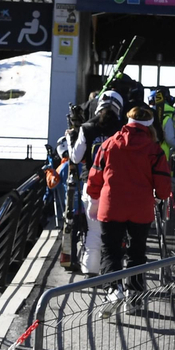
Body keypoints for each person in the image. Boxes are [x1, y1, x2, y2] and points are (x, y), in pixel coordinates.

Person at [86, 104, 173, 307]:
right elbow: (162, 182)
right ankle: (134, 297)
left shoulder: (108, 144)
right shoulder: (154, 149)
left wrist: (93, 196)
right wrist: (160, 196)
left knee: (111, 250)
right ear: (149, 124)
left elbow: (95, 174)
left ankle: (112, 290)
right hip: (140, 208)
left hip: (111, 206)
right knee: (137, 252)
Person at [68, 97, 122, 274]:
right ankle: (111, 271)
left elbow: (75, 158)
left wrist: (71, 139)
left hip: (91, 184)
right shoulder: (122, 130)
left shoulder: (86, 128)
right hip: (115, 186)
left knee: (93, 230)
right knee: (113, 232)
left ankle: (89, 270)